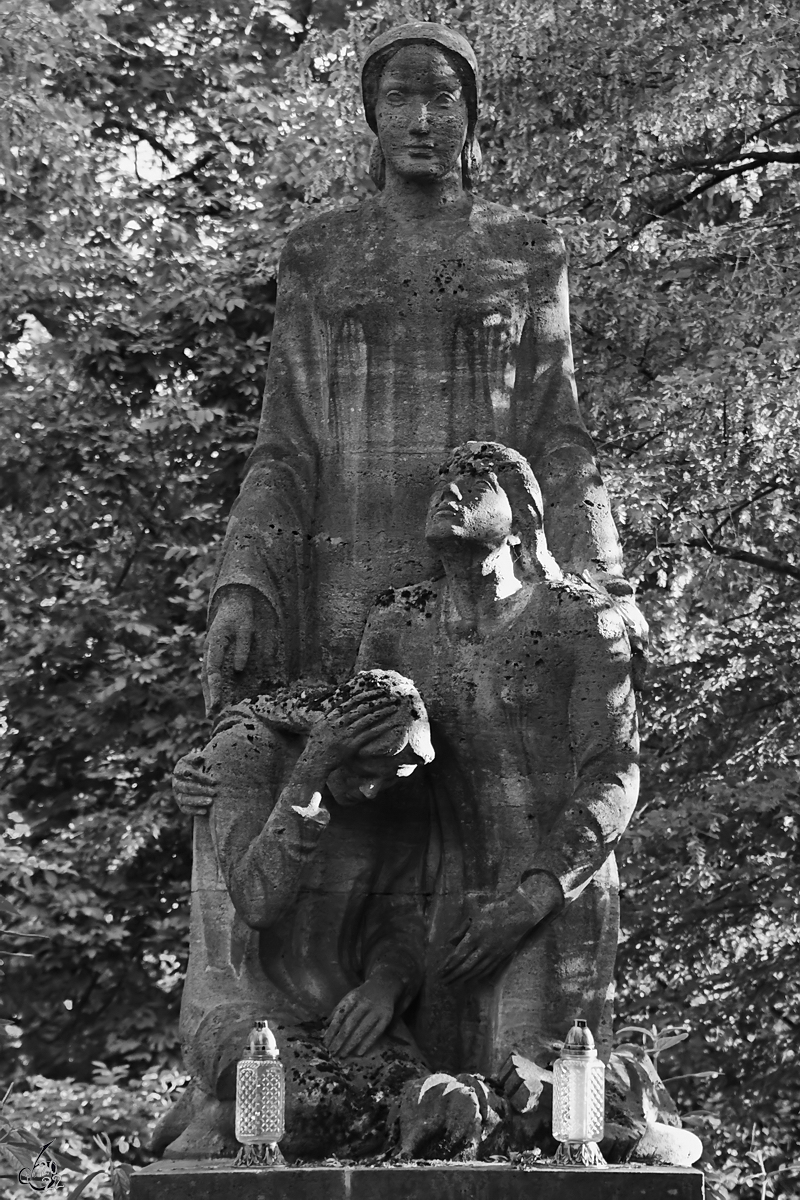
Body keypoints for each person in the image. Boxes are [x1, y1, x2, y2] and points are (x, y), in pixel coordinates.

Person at [203, 21, 638, 714]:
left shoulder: (524, 248)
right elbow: (283, 447)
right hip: (344, 585)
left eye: (443, 97)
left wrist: (602, 579)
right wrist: (244, 583)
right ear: (372, 113)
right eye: (399, 98)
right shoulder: (320, 252)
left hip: (492, 595)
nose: (422, 121)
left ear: (470, 111)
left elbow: (559, 432)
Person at [355, 443, 640, 1090]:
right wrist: (238, 741)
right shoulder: (397, 627)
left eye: (476, 479)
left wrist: (528, 900)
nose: (450, 489)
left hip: (551, 903)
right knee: (413, 1103)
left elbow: (613, 776)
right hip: (436, 910)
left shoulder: (581, 622)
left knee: (528, 1099)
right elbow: (359, 765)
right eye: (443, 478)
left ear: (523, 514)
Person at [153, 670, 435, 1160]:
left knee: (411, 1103)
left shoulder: (397, 793)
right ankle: (206, 1123)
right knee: (311, 1107)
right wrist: (312, 771)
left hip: (334, 1005)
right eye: (364, 770)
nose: (373, 790)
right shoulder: (243, 752)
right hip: (238, 1004)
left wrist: (384, 985)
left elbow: (400, 920)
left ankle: (217, 1112)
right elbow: (258, 901)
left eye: (393, 774)